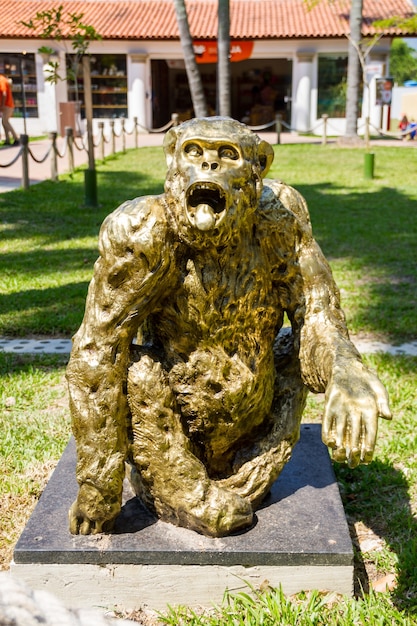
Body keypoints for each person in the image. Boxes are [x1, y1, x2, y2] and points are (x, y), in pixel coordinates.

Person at [0, 73, 19, 146]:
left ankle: (16, 139)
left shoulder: (1, 80)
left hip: (7, 105)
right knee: (4, 122)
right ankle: (7, 139)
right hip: (8, 105)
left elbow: (4, 93)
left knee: (5, 122)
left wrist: (2, 104)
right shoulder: (3, 79)